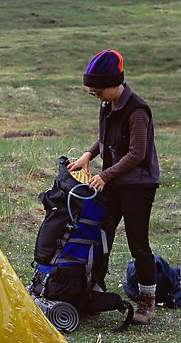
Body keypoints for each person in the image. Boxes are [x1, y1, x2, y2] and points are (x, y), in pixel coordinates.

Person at [67, 50, 160, 324]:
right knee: (101, 234)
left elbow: (137, 154)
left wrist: (105, 176)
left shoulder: (137, 111)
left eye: (98, 91)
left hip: (138, 186)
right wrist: (88, 154)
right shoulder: (108, 105)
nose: (97, 96)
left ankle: (146, 302)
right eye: (92, 92)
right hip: (116, 182)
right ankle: (93, 290)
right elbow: (105, 138)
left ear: (114, 83)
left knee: (138, 243)